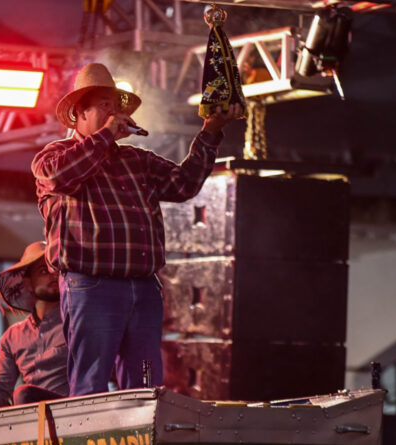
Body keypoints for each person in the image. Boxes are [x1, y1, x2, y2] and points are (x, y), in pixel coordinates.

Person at [31, 62, 241, 396]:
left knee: (144, 389)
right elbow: (59, 177)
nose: (113, 112)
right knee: (90, 384)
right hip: (91, 287)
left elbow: (184, 184)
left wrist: (211, 131)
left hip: (143, 288)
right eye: (104, 105)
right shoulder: (53, 156)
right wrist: (104, 138)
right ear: (78, 114)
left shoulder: (136, 160)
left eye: (116, 106)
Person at [0, 241, 69, 412]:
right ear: (27, 283)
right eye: (44, 271)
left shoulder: (75, 324)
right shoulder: (12, 337)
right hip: (29, 413)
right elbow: (0, 387)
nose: (52, 276)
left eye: (56, 270)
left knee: (23, 394)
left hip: (69, 411)